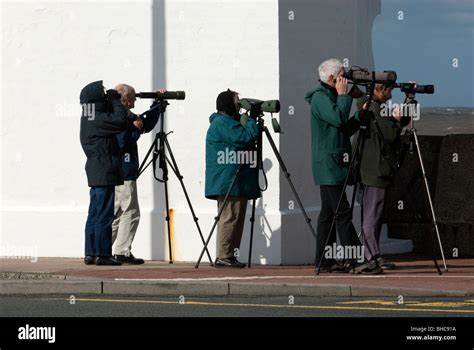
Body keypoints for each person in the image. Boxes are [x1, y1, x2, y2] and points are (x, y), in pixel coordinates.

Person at [305, 58, 361, 273]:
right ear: (332, 78)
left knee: (328, 215)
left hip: (334, 164)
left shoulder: (330, 97)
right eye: (343, 76)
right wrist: (345, 96)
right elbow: (338, 119)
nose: (345, 79)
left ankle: (323, 260)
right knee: (342, 212)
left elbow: (342, 129)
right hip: (328, 166)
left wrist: (359, 116)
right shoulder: (320, 98)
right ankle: (353, 258)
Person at [354, 83, 412, 274]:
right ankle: (371, 257)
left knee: (374, 214)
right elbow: (390, 133)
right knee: (372, 215)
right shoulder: (374, 109)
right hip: (374, 170)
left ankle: (373, 255)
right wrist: (396, 120)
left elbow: (396, 126)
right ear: (379, 90)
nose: (391, 92)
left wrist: (409, 101)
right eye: (389, 89)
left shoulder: (370, 106)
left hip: (372, 169)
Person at [205, 89, 260, 268]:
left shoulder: (227, 122)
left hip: (234, 179)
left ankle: (230, 255)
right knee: (229, 218)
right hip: (228, 180)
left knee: (236, 218)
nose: (239, 104)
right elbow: (245, 138)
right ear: (228, 103)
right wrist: (252, 119)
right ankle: (223, 256)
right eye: (237, 100)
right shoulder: (222, 123)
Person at [111, 84, 165, 264]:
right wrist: (135, 128)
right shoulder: (119, 117)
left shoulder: (119, 114)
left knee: (118, 213)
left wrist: (156, 107)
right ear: (125, 98)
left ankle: (103, 250)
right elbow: (123, 140)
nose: (135, 100)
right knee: (131, 211)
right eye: (133, 97)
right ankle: (122, 251)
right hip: (123, 171)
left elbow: (144, 125)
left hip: (117, 172)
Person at [79, 80, 131, 266]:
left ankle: (90, 253)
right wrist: (116, 101)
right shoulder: (97, 118)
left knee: (94, 213)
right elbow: (120, 121)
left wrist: (110, 101)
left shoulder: (89, 116)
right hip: (104, 170)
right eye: (102, 94)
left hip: (97, 170)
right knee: (104, 214)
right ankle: (102, 254)